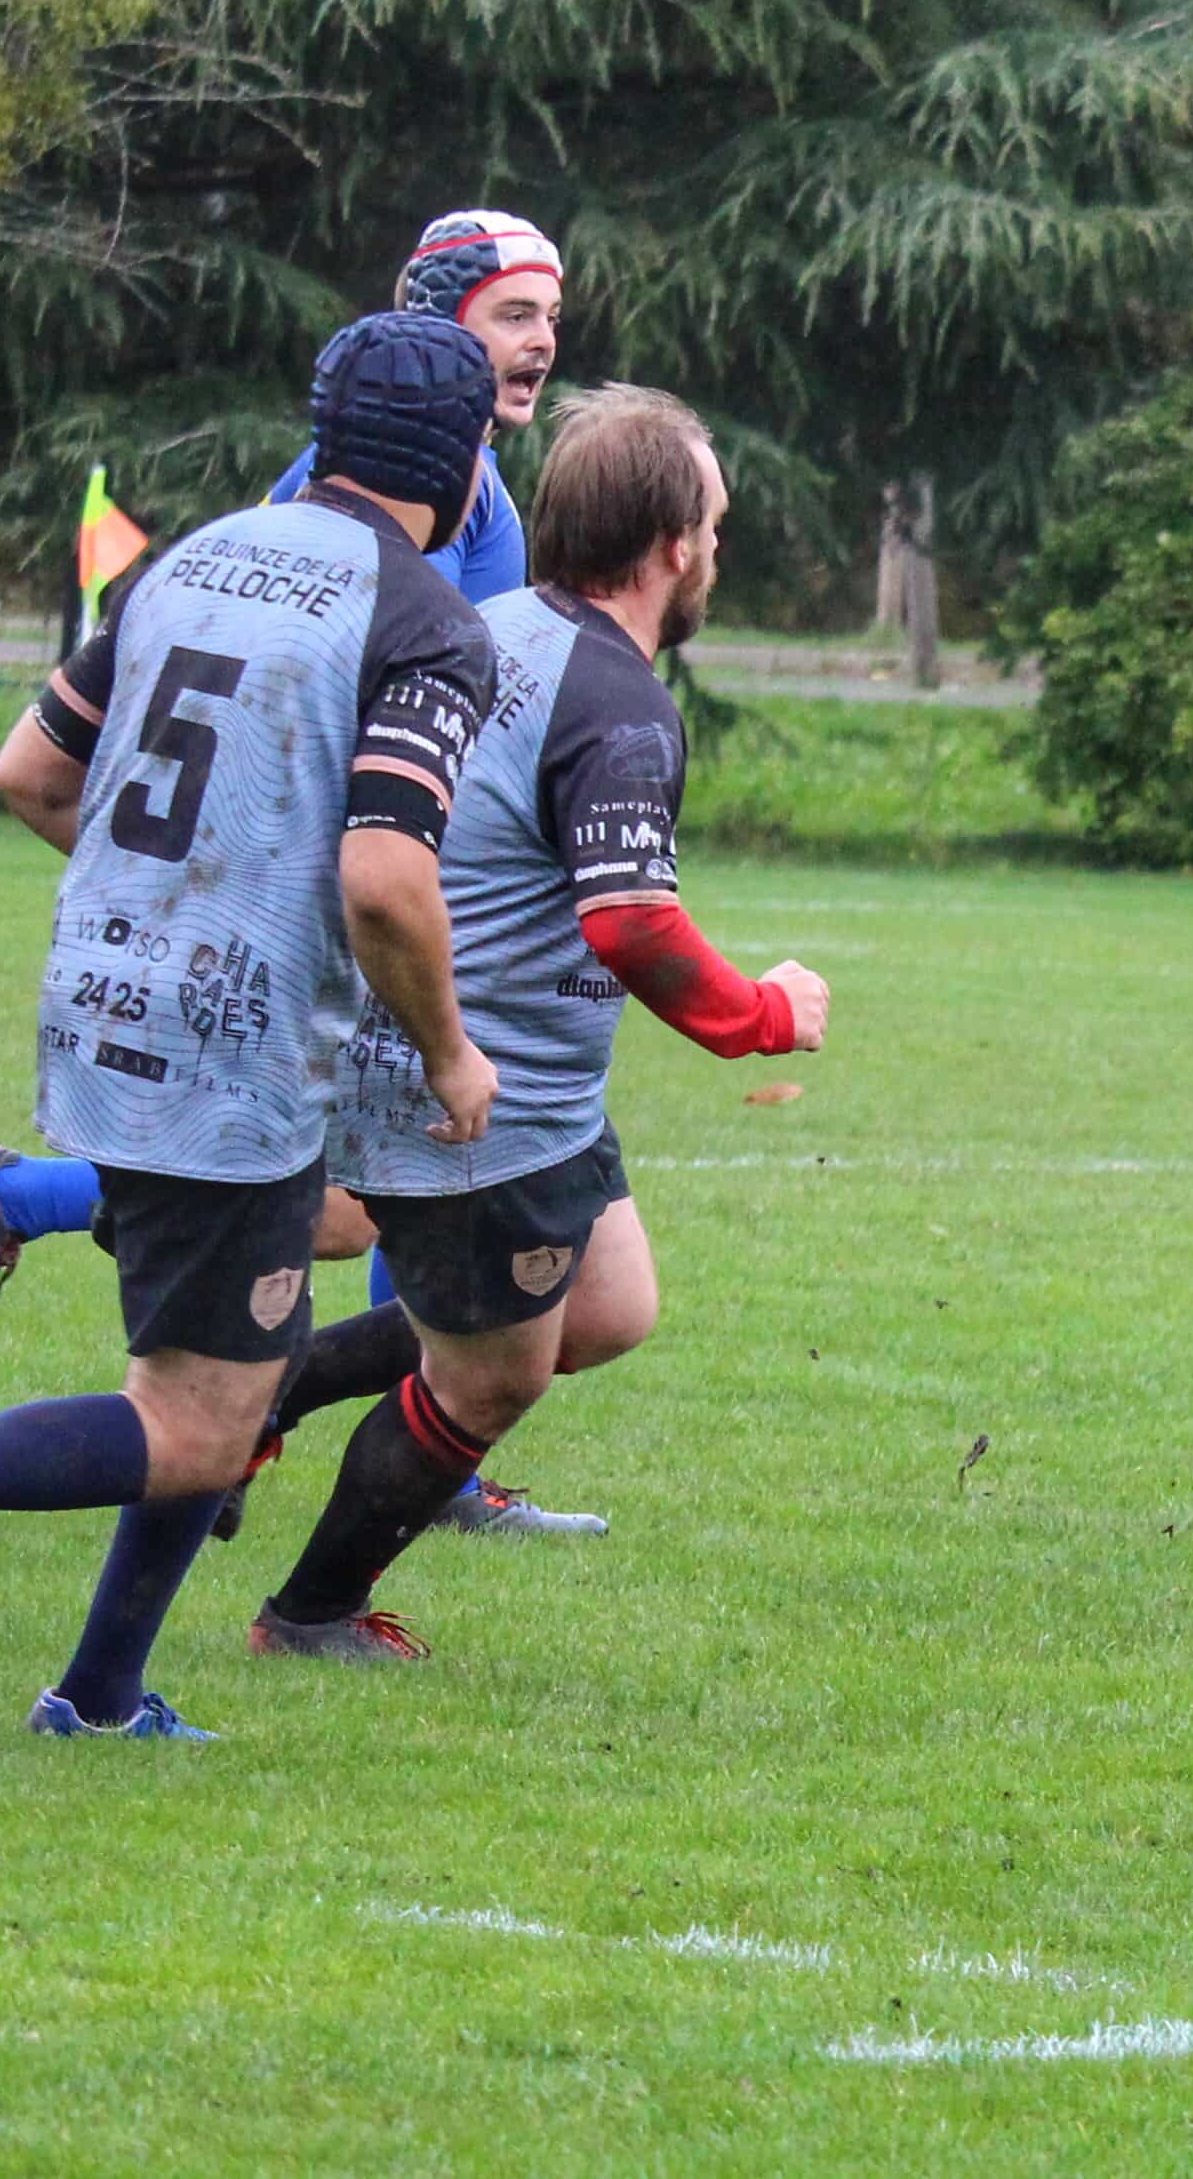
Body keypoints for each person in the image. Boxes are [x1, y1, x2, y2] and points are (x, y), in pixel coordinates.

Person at [0, 314, 502, 1739]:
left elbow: (30, 771)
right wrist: (449, 1050)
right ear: (464, 457)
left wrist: (175, 904)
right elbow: (386, 877)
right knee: (195, 1423)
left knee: (273, 1308)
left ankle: (100, 1694)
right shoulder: (426, 619)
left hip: (102, 997)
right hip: (234, 1045)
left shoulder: (193, 557)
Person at [0, 207, 599, 1540]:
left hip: (386, 886)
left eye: (553, 318)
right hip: (349, 902)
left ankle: (247, 1425)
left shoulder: (473, 493)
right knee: (366, 1190)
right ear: (434, 322)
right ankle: (208, 1415)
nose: (543, 342)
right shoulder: (361, 502)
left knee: (370, 1191)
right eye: (516, 314)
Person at [247, 387, 827, 1664]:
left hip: (528, 1084)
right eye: (714, 525)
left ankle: (273, 1390)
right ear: (672, 545)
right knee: (491, 1378)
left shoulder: (495, 626)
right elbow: (634, 925)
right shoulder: (620, 701)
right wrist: (764, 1014)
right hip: (479, 1094)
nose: (717, 547)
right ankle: (309, 1614)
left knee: (607, 1307)